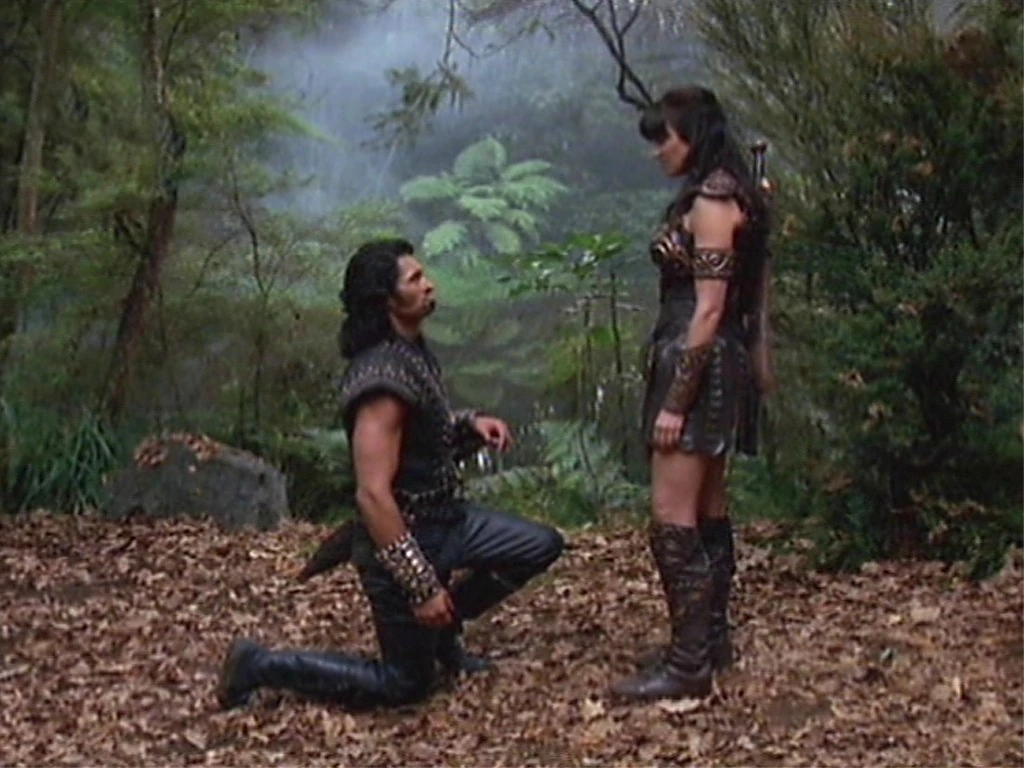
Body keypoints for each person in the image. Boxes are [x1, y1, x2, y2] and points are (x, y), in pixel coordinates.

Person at [216, 238, 564, 710]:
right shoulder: (380, 381)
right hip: (399, 541)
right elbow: (373, 495)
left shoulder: (410, 351)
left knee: (538, 545)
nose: (429, 285)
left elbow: (420, 436)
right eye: (415, 279)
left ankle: (441, 634)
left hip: (446, 521)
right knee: (405, 685)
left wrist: (469, 425)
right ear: (386, 300)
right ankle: (258, 665)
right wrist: (421, 587)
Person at [611, 87, 773, 701]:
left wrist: (676, 402)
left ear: (695, 137)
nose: (658, 151)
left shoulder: (713, 202)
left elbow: (708, 309)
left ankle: (688, 665)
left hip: (698, 359)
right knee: (707, 509)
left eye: (666, 139)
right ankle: (709, 642)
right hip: (714, 359)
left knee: (672, 518)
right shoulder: (734, 194)